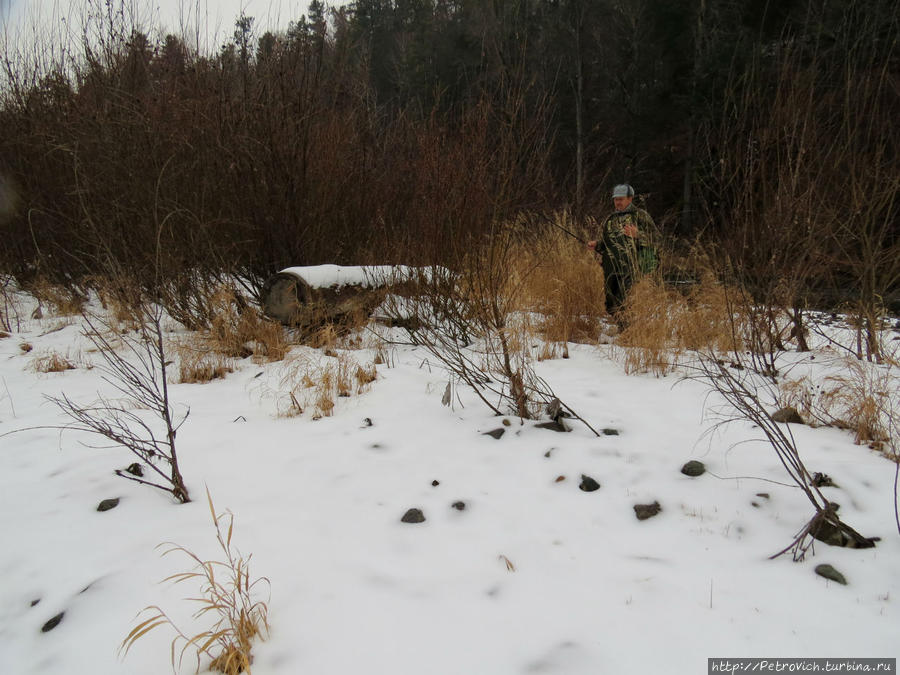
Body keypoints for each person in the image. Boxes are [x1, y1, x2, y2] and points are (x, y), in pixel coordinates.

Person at [587, 184, 658, 314]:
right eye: (615, 199)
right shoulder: (610, 219)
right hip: (612, 268)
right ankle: (624, 329)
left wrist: (638, 235)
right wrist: (597, 245)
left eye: (621, 199)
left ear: (630, 199)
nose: (618, 202)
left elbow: (657, 239)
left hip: (634, 267)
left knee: (625, 302)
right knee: (611, 304)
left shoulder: (640, 215)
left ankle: (628, 331)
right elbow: (608, 243)